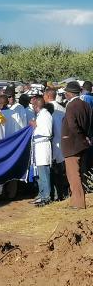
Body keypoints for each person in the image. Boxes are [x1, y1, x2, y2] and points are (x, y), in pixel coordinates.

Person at [61, 81, 92, 209]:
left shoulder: (71, 106)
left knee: (73, 175)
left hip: (72, 144)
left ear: (69, 93)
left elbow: (73, 126)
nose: (65, 95)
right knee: (78, 173)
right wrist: (87, 138)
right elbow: (90, 123)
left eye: (66, 93)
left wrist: (81, 138)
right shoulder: (85, 105)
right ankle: (75, 202)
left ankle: (78, 204)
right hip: (82, 144)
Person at [45, 88, 68, 201]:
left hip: (53, 145)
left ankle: (56, 195)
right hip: (63, 145)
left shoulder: (48, 111)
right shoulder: (62, 109)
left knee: (55, 172)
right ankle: (63, 193)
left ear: (48, 96)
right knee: (62, 172)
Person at [30, 97, 53, 206]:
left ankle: (46, 197)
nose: (33, 107)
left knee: (44, 173)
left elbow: (47, 132)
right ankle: (41, 194)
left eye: (33, 105)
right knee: (39, 174)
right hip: (38, 147)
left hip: (43, 147)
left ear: (36, 106)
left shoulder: (46, 115)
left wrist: (35, 126)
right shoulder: (40, 115)